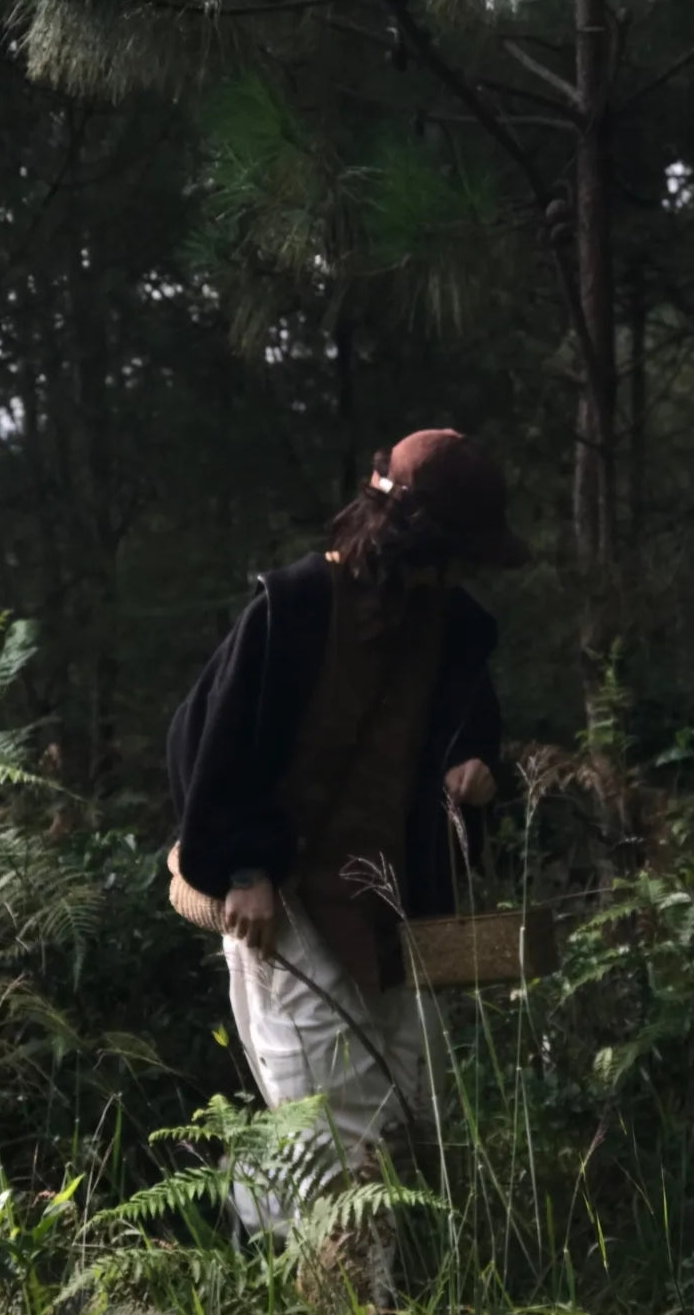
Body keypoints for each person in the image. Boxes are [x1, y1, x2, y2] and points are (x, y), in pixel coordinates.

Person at [166, 428, 526, 1304]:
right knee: (338, 1138)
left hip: (399, 908)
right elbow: (199, 742)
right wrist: (243, 865)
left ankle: (297, 1249)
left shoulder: (454, 631)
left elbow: (476, 740)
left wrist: (481, 775)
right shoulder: (292, 609)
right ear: (417, 542)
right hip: (286, 904)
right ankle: (351, 1294)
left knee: (422, 1112)